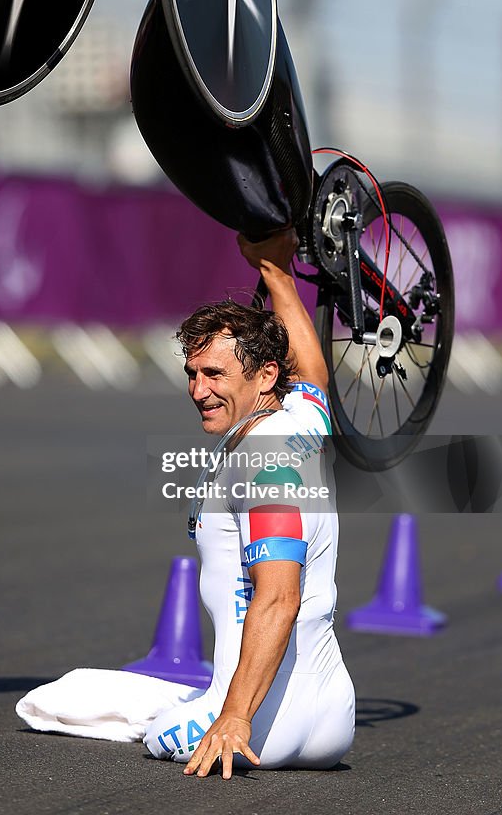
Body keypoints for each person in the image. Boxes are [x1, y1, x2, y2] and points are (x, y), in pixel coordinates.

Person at [144, 229, 355, 778]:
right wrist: (277, 272)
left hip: (264, 725)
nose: (197, 390)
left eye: (214, 374)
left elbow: (280, 596)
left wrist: (235, 717)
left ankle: (227, 713)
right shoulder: (300, 421)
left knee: (68, 702)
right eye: (191, 373)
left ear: (264, 378)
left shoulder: (263, 469)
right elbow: (311, 374)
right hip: (333, 717)